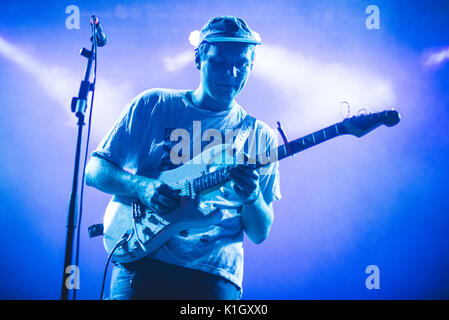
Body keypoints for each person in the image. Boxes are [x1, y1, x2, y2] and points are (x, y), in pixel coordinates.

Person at [85, 16, 281, 300]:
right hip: (142, 261)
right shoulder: (154, 105)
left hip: (214, 277)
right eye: (220, 62)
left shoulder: (258, 136)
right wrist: (142, 186)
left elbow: (259, 232)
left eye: (242, 64)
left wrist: (252, 198)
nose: (232, 73)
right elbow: (95, 170)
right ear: (199, 59)